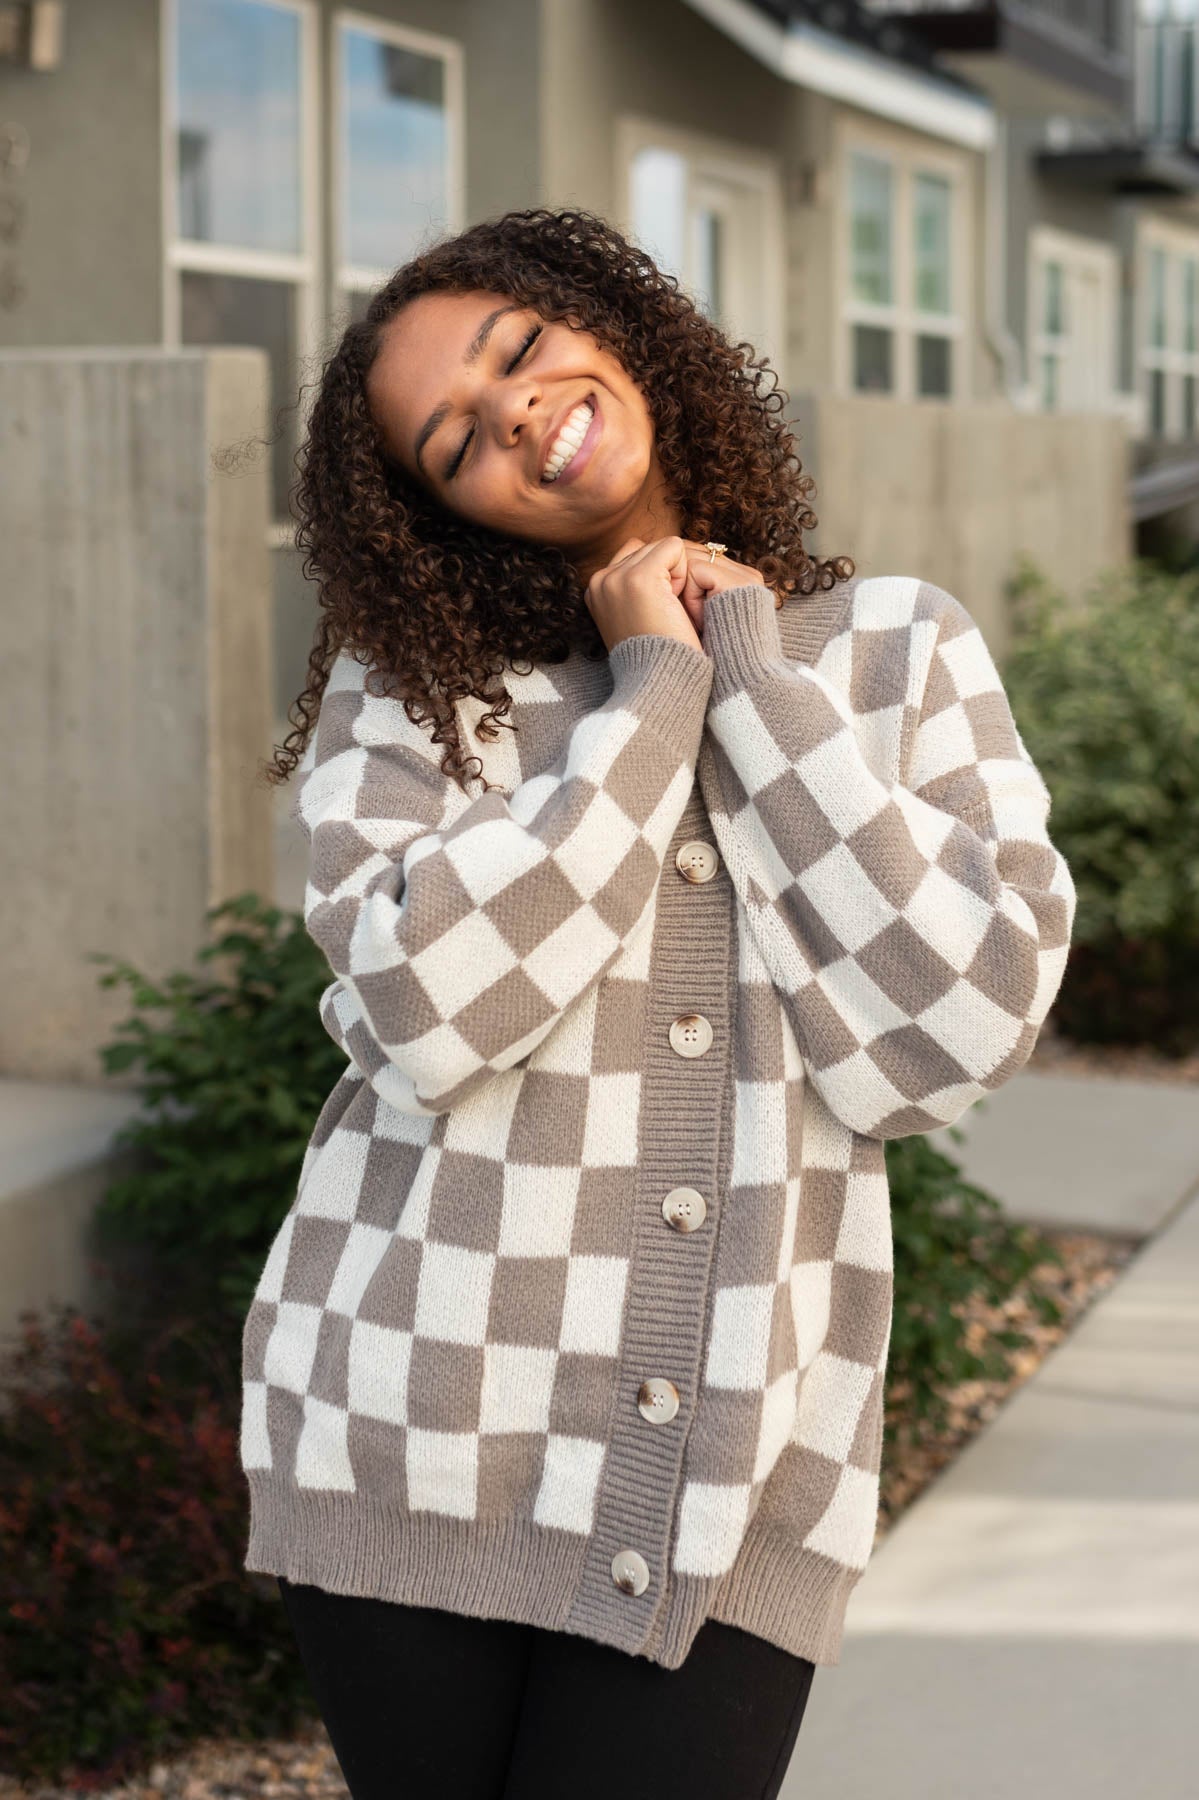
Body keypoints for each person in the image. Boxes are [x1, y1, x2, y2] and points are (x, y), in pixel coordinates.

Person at [241, 206, 1075, 1800]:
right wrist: (652, 698)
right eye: (454, 439)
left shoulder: (899, 654)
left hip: (746, 1452)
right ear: (438, 513)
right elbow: (427, 1009)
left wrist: (745, 661)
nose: (517, 413)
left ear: (610, 330)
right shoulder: (413, 698)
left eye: (519, 351)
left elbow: (950, 1034)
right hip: (407, 1415)